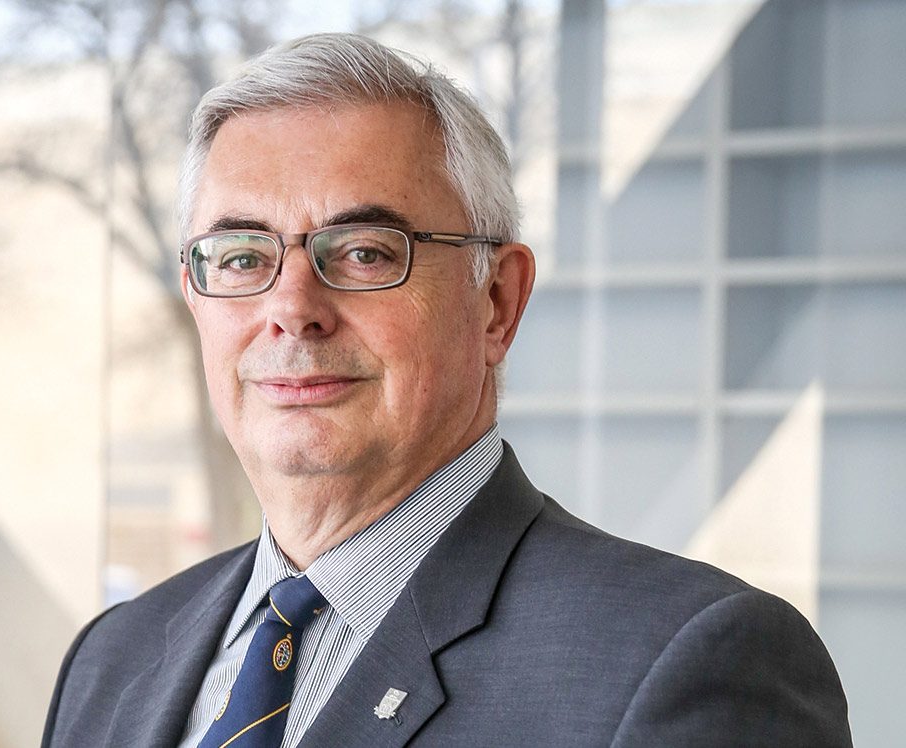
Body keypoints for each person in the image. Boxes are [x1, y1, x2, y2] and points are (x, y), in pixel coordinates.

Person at [42, 33, 850, 747]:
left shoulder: (686, 663)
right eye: (244, 258)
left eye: (362, 252)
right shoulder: (114, 660)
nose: (292, 311)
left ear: (497, 302)